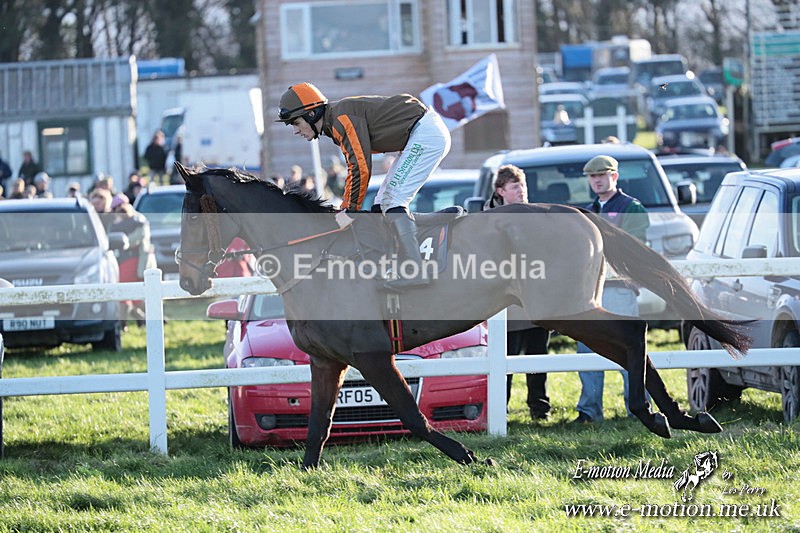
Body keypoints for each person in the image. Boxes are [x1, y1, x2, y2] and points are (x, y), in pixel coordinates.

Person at [275, 82, 451, 290]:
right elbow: (357, 166)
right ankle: (406, 252)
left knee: (393, 201)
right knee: (381, 205)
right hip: (421, 133)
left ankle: (415, 271)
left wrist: (350, 209)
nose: (296, 131)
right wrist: (348, 207)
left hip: (426, 135)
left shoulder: (340, 119)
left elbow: (359, 166)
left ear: (312, 114)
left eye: (296, 123)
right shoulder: (335, 121)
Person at [574, 155, 650, 423]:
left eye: (602, 175)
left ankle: (637, 408)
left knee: (627, 349)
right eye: (592, 176)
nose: (596, 180)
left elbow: (634, 247)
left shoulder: (633, 208)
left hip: (619, 288)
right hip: (589, 290)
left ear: (614, 177)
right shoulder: (587, 211)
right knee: (587, 349)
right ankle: (589, 411)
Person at [484, 164, 551, 420]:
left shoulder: (537, 215)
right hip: (504, 304)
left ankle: (539, 408)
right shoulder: (488, 220)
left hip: (535, 300)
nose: (521, 191)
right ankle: (500, 410)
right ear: (501, 191)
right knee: (504, 359)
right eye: (515, 187)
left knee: (538, 358)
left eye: (522, 185)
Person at [110, 194, 156, 324]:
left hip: (133, 261)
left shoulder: (138, 220)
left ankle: (152, 318)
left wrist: (122, 242)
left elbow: (136, 239)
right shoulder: (116, 222)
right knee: (127, 295)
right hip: (122, 261)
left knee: (130, 294)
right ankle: (142, 319)